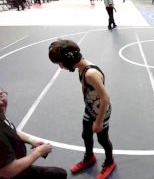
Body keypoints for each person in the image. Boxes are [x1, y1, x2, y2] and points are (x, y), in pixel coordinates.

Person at [48, 40, 116, 179]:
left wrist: (99, 122)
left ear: (69, 60)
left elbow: (105, 98)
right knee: (86, 135)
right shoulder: (81, 67)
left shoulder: (90, 73)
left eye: (60, 63)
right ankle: (89, 157)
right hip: (90, 109)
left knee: (102, 139)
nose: (61, 67)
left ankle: (110, 162)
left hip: (100, 112)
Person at [0, 88, 67, 179]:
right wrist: (38, 152)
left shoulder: (1, 114)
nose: (1, 103)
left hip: (21, 167)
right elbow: (8, 172)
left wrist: (31, 140)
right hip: (15, 174)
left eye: (1, 95)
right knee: (59, 174)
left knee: (59, 173)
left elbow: (12, 131)